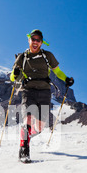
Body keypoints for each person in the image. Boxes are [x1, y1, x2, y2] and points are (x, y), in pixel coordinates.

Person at [10, 29, 74, 163]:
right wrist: (15, 73)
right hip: (28, 91)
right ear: (29, 40)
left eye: (38, 40)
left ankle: (27, 136)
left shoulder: (47, 56)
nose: (35, 42)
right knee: (27, 118)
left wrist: (66, 79)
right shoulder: (22, 57)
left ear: (41, 42)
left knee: (39, 128)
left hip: (45, 92)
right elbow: (12, 78)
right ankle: (24, 148)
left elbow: (57, 72)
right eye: (33, 39)